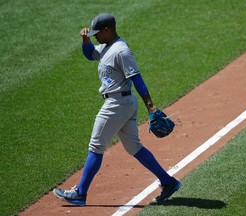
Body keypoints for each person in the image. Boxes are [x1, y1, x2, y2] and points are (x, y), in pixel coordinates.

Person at [53, 12, 181, 206]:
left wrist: (150, 106)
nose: (95, 35)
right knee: (134, 147)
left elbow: (136, 78)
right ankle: (168, 182)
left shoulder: (121, 51)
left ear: (108, 30)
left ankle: (80, 193)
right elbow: (90, 55)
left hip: (117, 105)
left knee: (96, 146)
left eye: (97, 32)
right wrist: (85, 40)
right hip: (122, 104)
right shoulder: (105, 47)